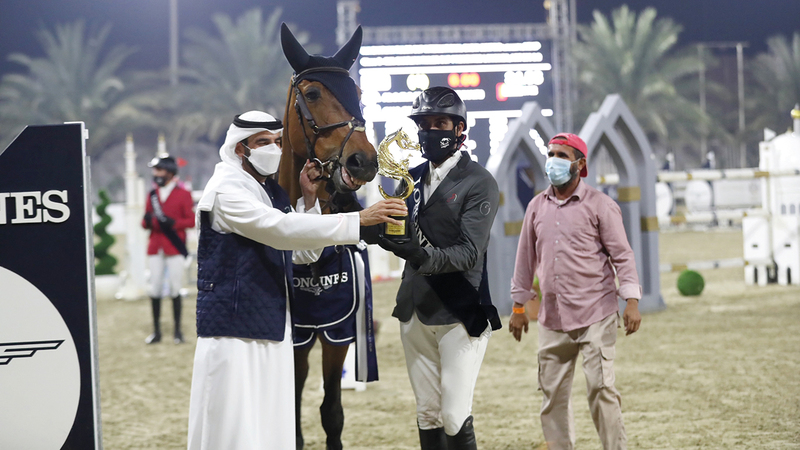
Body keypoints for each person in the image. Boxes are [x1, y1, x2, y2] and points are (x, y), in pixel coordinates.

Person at [186, 111, 406, 450]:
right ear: (240, 148)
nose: (273, 149)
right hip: (233, 333)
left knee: (270, 428)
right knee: (233, 427)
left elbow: (303, 254)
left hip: (271, 328)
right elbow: (280, 230)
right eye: (263, 142)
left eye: (277, 142)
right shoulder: (226, 190)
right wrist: (358, 219)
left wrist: (309, 199)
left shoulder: (267, 191)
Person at [373, 87, 501, 450]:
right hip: (415, 308)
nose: (430, 131)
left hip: (459, 309)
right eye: (424, 124)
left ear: (459, 129)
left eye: (440, 123)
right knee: (427, 414)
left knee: (454, 415)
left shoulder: (479, 181)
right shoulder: (409, 179)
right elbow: (393, 231)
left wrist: (421, 256)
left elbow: (470, 252)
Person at [508, 133, 642, 450]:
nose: (553, 161)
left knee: (600, 389)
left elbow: (622, 256)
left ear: (580, 165)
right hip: (552, 318)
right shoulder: (536, 207)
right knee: (551, 395)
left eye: (562, 155)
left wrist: (632, 301)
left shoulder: (601, 205)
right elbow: (525, 259)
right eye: (551, 154)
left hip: (596, 313)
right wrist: (518, 306)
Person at [141, 155, 194, 344]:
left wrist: (174, 223)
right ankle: (156, 331)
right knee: (154, 288)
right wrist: (147, 220)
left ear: (170, 172)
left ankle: (177, 331)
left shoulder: (183, 194)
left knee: (175, 287)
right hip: (156, 247)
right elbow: (144, 222)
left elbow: (191, 221)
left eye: (159, 170)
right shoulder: (152, 195)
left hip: (174, 246)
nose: (155, 174)